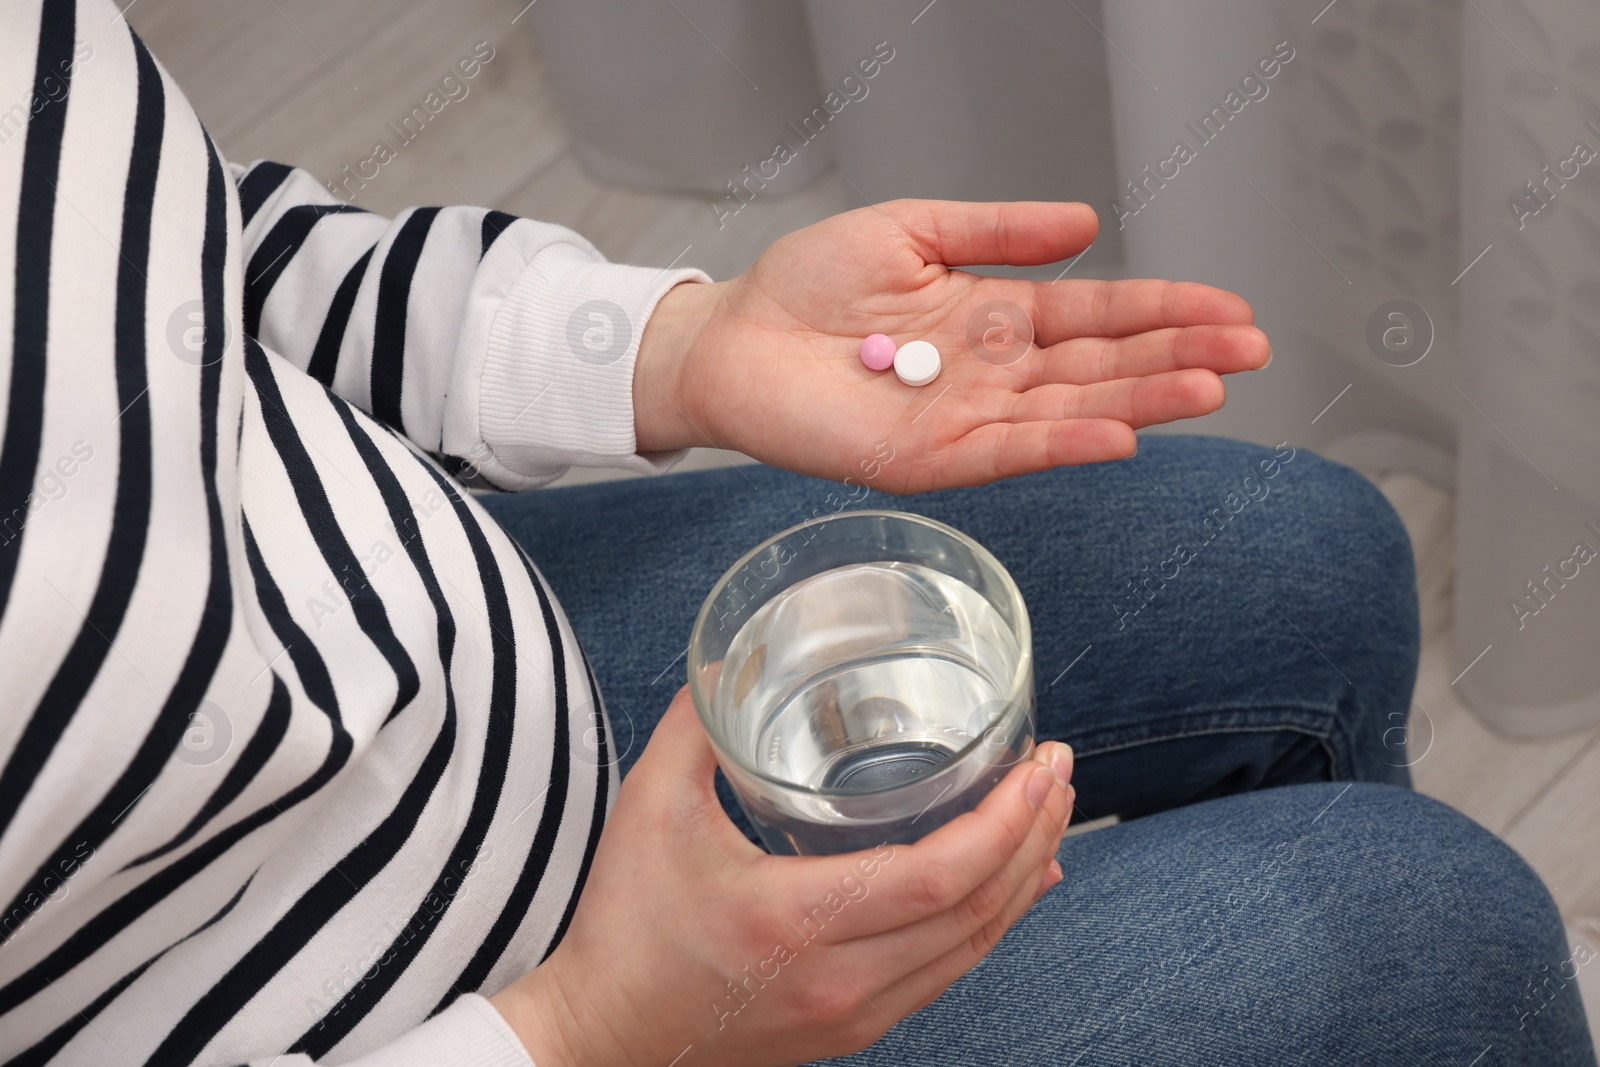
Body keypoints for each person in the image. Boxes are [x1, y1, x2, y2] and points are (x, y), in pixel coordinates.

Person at [0, 2, 1591, 1065]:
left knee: (1307, 549)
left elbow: (188, 245)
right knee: (1444, 933)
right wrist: (591, 1026)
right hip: (461, 1019)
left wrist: (668, 351)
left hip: (481, 664)